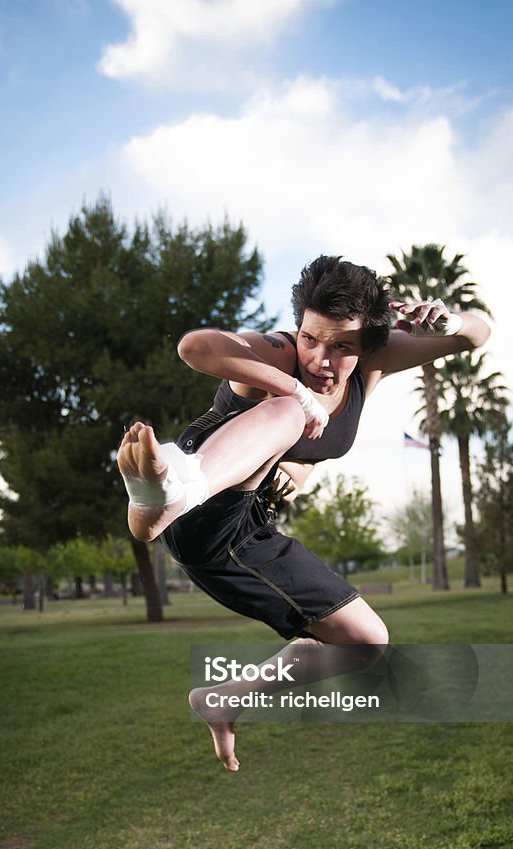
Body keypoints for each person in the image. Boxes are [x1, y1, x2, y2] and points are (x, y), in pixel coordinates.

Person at [117, 256, 490, 771]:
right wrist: (291, 388)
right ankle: (166, 494)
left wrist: (447, 321)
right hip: (209, 490)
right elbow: (194, 347)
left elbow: (477, 335)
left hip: (250, 532)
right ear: (298, 328)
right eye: (311, 338)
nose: (320, 358)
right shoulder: (280, 355)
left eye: (342, 347)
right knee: (290, 412)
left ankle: (228, 700)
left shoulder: (373, 364)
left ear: (367, 347)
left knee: (365, 643)